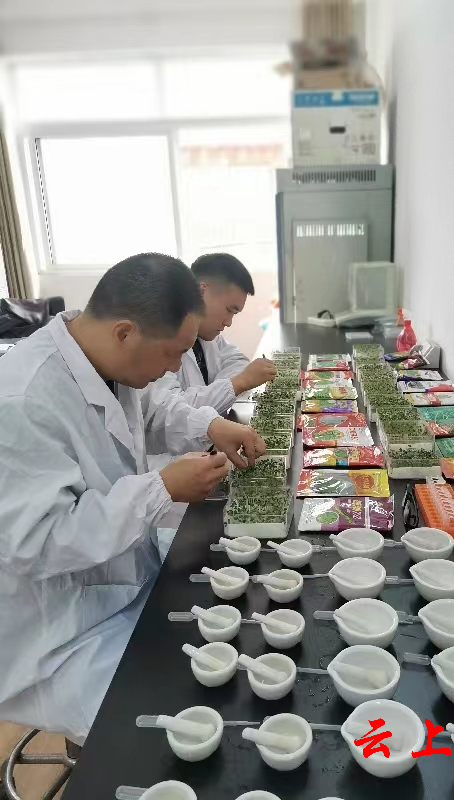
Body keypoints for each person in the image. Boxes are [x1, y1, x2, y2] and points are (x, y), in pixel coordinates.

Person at [0, 253, 265, 745]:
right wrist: (160, 489)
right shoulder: (22, 401)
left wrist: (211, 424)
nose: (174, 368)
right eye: (171, 354)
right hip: (60, 631)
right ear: (125, 332)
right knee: (177, 721)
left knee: (229, 626)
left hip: (123, 574)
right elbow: (41, 543)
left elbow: (154, 412)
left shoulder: (102, 357)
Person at [147, 253, 277, 417]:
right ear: (202, 291)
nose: (229, 322)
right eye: (229, 310)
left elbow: (236, 359)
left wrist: (220, 389)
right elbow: (171, 414)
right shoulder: (161, 338)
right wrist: (237, 383)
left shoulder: (208, 336)